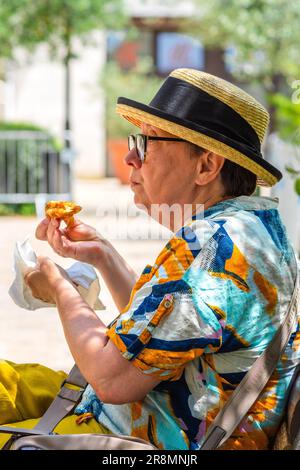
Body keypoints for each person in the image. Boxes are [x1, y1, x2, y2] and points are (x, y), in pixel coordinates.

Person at [0, 68, 299, 450]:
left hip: (143, 436)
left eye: (146, 143)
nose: (129, 157)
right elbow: (162, 340)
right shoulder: (251, 227)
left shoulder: (210, 247)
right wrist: (104, 257)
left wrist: (58, 286)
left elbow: (111, 380)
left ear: (206, 166)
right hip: (137, 413)